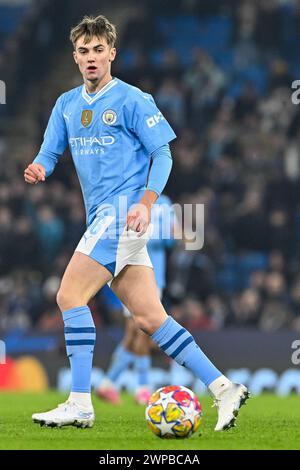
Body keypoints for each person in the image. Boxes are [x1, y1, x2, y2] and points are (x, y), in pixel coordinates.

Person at [24, 15, 249, 431]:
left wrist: (146, 202)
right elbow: (50, 153)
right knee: (150, 318)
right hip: (106, 218)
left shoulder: (132, 99)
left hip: (122, 213)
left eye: (98, 50)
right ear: (75, 57)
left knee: (69, 296)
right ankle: (223, 388)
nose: (91, 57)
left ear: (112, 53)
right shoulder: (66, 105)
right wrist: (39, 167)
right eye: (83, 51)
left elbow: (163, 155)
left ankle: (79, 402)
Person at [96, 194, 176, 405]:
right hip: (131, 273)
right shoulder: (128, 198)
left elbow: (170, 240)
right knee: (139, 329)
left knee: (134, 331)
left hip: (154, 275)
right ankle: (142, 387)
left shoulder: (164, 203)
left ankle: (108, 384)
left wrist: (154, 232)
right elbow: (122, 235)